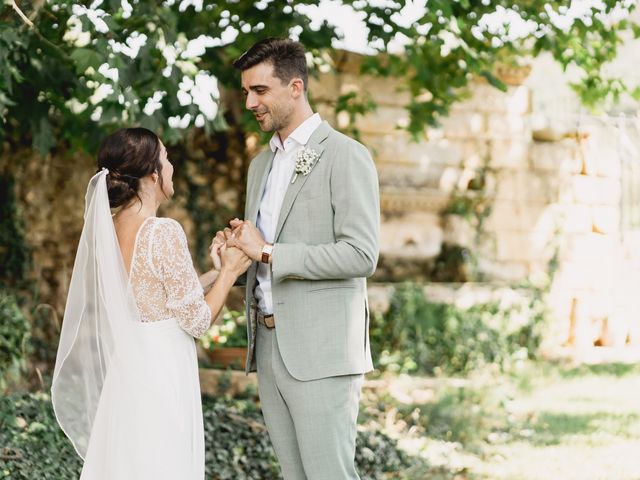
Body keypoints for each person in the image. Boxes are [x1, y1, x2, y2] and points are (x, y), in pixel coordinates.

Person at [215, 38, 380, 479]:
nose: (250, 102)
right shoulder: (259, 167)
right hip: (269, 348)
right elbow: (260, 256)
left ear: (295, 87)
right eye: (246, 91)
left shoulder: (345, 155)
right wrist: (231, 259)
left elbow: (361, 254)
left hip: (323, 352)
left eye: (260, 91)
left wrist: (266, 250)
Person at [51, 127, 251, 480]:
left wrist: (213, 273)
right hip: (162, 371)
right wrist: (231, 273)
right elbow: (197, 320)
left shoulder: (108, 229)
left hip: (129, 369)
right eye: (167, 158)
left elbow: (154, 296)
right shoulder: (162, 231)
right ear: (153, 173)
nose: (172, 166)